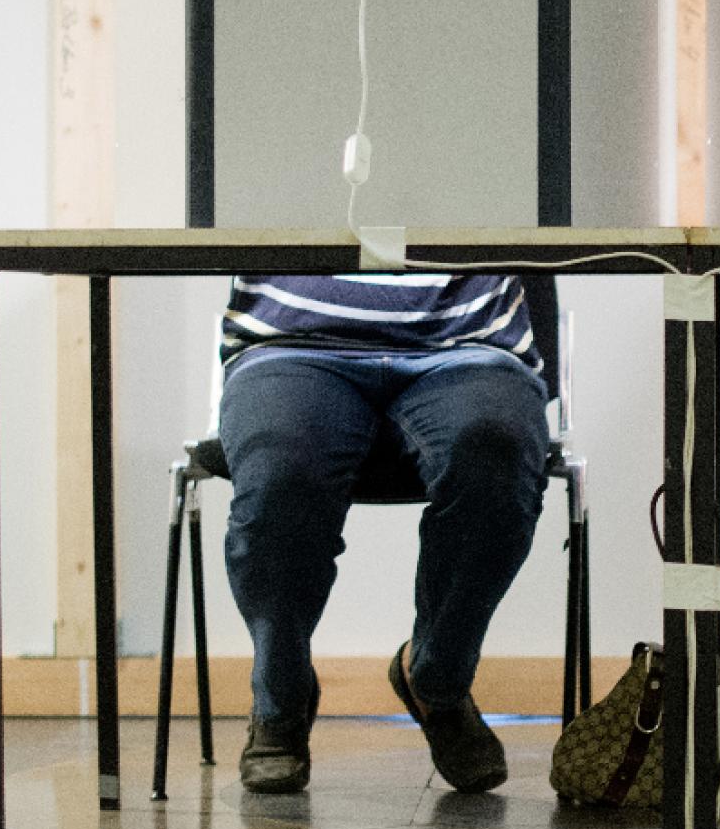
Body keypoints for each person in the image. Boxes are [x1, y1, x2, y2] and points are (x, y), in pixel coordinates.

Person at [217, 272, 551, 795]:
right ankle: (280, 698)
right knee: (280, 480)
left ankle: (436, 679)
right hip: (290, 345)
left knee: (496, 464)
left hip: (468, 343)